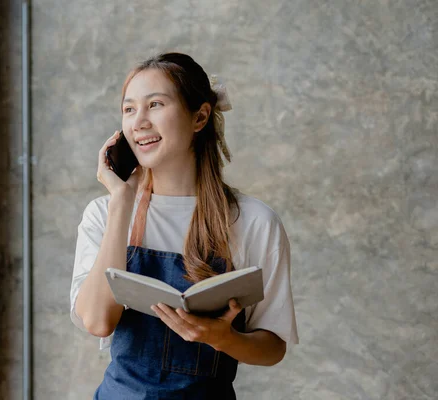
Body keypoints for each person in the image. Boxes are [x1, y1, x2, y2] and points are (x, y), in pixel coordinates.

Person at [70, 52, 299, 399]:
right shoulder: (104, 213)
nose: (139, 122)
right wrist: (121, 203)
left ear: (200, 117)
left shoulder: (253, 221)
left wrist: (223, 338)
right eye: (129, 109)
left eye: (155, 105)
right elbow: (98, 321)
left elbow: (273, 347)